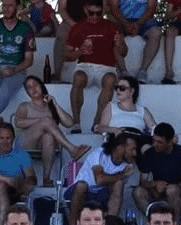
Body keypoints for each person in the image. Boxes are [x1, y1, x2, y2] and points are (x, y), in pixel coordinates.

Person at [14, 75, 92, 186]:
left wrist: (54, 103)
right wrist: (42, 121)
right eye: (29, 87)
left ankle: (46, 178)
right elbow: (18, 122)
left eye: (35, 85)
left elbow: (70, 123)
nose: (33, 89)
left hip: (43, 145)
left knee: (48, 137)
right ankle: (72, 149)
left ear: (41, 86)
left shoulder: (50, 107)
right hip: (26, 143)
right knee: (46, 121)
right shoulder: (25, 106)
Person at [66, 0, 127, 133]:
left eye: (98, 13)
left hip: (107, 67)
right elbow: (67, 56)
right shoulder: (77, 28)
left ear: (103, 12)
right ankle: (76, 122)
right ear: (85, 10)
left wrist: (119, 43)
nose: (94, 16)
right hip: (85, 65)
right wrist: (80, 51)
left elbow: (124, 53)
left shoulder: (112, 27)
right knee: (78, 77)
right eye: (91, 13)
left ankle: (97, 122)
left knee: (110, 80)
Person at [0, 0, 37, 128]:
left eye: (10, 5)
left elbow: (29, 60)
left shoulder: (25, 29)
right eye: (4, 5)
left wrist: (13, 70)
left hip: (16, 70)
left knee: (6, 85)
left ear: (18, 7)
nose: (6, 8)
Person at [66, 132, 136, 224]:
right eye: (132, 149)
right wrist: (123, 175)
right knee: (81, 186)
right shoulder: (99, 153)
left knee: (119, 184)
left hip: (101, 194)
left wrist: (121, 176)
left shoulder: (127, 163)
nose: (135, 153)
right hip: (79, 192)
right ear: (120, 148)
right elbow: (100, 180)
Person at [134, 122, 181, 223]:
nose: (155, 144)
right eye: (154, 141)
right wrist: (154, 184)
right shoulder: (149, 153)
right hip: (156, 189)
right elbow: (143, 181)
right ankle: (153, 220)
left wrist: (168, 187)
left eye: (159, 142)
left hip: (178, 190)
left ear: (170, 142)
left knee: (171, 190)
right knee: (138, 192)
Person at [106, 0, 160, 81]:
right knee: (112, 32)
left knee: (156, 32)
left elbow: (152, 8)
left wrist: (138, 24)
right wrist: (126, 24)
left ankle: (143, 71)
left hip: (144, 21)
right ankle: (123, 71)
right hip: (121, 20)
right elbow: (114, 7)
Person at [53, 0, 87, 82]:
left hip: (91, 21)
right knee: (61, 35)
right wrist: (75, 25)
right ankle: (59, 74)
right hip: (69, 22)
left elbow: (102, 8)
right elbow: (62, 10)